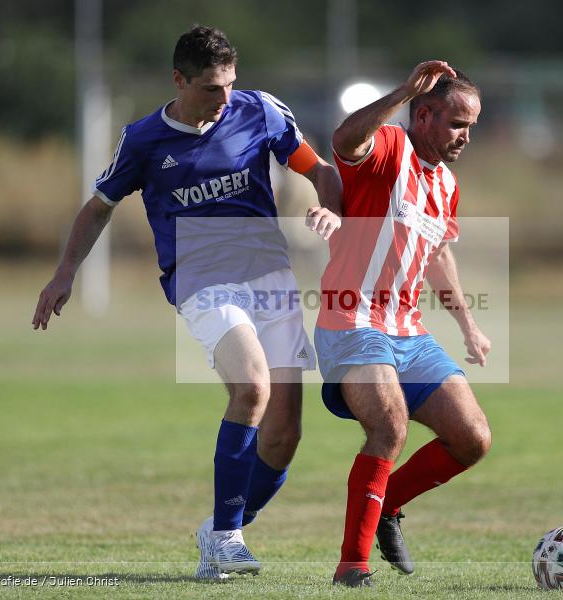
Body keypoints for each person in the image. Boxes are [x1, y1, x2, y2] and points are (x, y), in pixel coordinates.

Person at [31, 25, 342, 581]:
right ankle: (225, 536)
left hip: (268, 272)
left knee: (285, 434)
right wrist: (65, 271)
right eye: (208, 88)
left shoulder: (259, 111)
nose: (223, 100)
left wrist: (330, 206)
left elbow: (317, 167)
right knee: (251, 387)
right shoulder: (144, 139)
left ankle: (220, 531)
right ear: (178, 80)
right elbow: (98, 206)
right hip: (199, 275)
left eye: (229, 85)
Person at [315, 61, 492, 587]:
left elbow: (437, 255)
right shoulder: (389, 144)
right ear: (426, 115)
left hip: (408, 332)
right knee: (389, 426)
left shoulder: (447, 184)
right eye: (458, 123)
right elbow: (344, 139)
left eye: (472, 126)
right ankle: (353, 566)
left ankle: (387, 502)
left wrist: (467, 326)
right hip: (350, 318)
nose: (466, 136)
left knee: (472, 438)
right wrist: (401, 91)